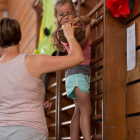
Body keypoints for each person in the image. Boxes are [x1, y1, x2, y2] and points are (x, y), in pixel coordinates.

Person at [0, 18, 84, 140]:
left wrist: (35, 99)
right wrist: (69, 35)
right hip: (30, 131)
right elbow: (78, 58)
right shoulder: (33, 61)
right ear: (20, 36)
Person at [51, 0, 96, 140]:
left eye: (69, 13)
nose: (66, 17)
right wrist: (89, 26)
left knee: (78, 110)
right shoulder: (65, 31)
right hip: (78, 73)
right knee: (86, 110)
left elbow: (87, 17)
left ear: (75, 11)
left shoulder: (75, 25)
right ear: (56, 18)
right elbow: (81, 44)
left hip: (76, 73)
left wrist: (80, 20)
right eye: (61, 14)